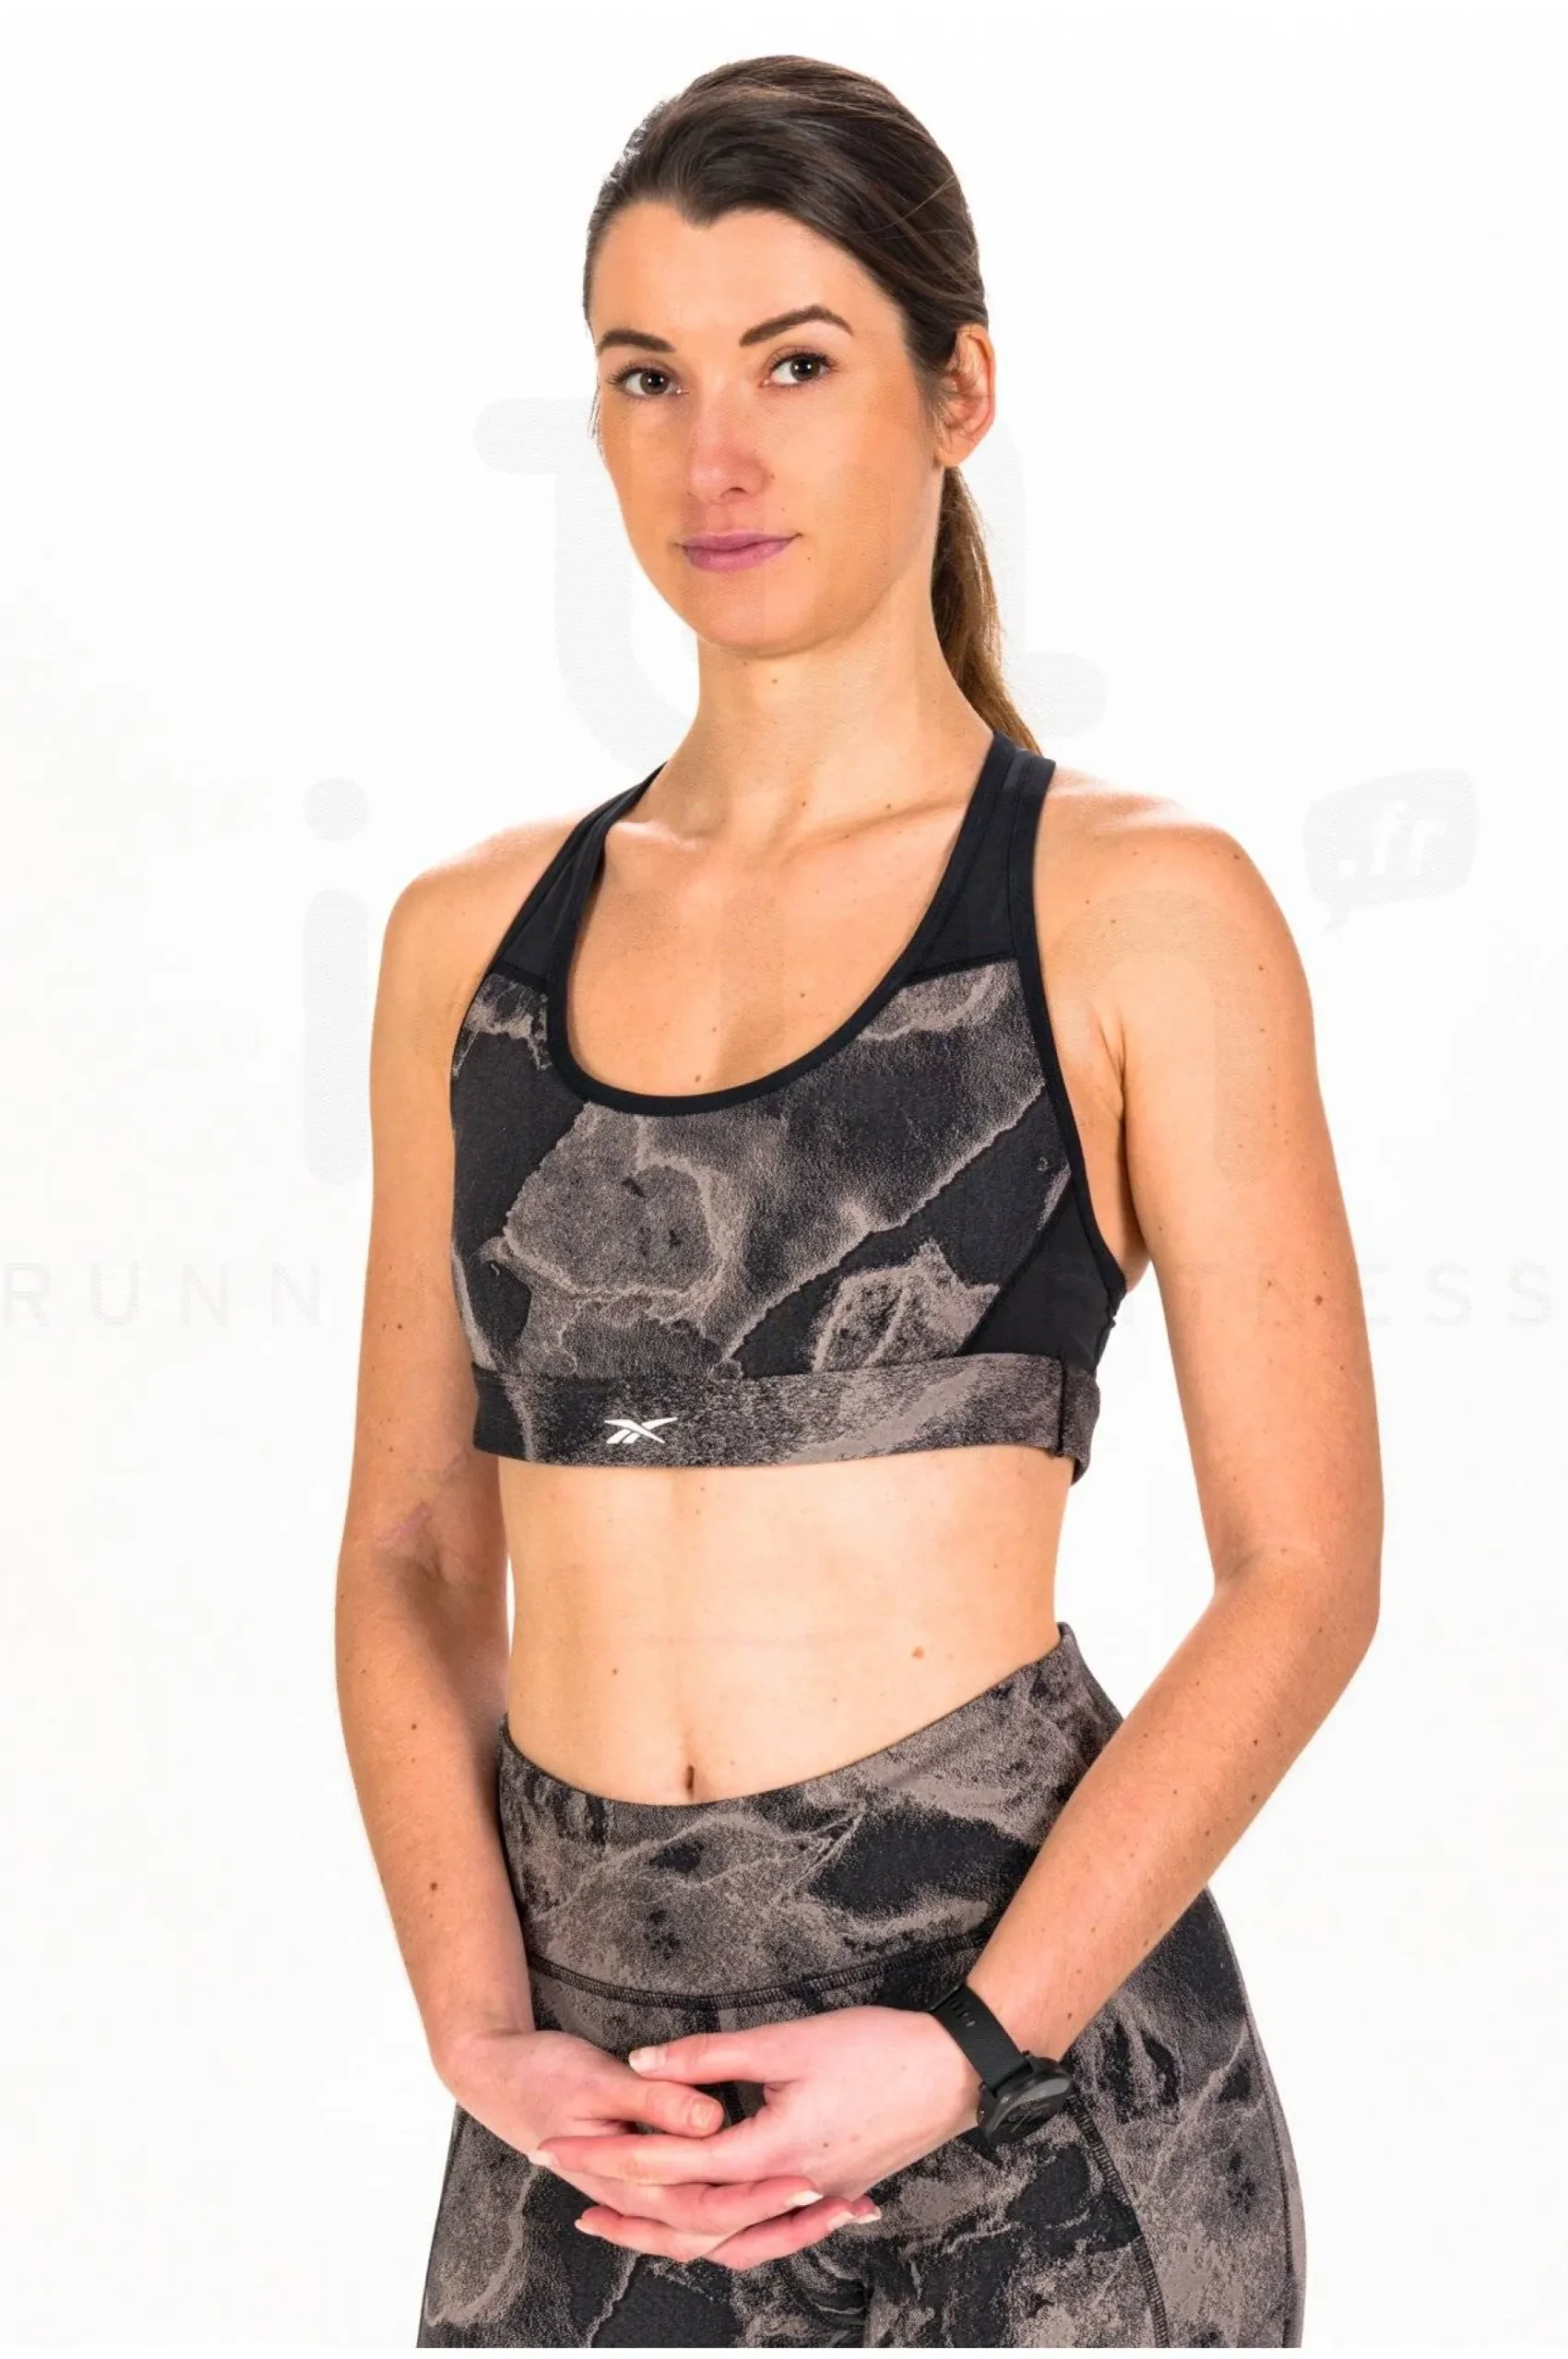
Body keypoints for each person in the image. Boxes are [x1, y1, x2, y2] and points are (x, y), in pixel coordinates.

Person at [335, 53, 1381, 2351]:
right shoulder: (466, 944)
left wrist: (969, 2039)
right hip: (592, 2116)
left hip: (1021, 2092)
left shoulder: (1133, 906)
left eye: (794, 363)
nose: (713, 454)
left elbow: (1302, 1571)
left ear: (956, 390)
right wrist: (477, 2027)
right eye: (647, 375)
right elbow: (411, 1545)